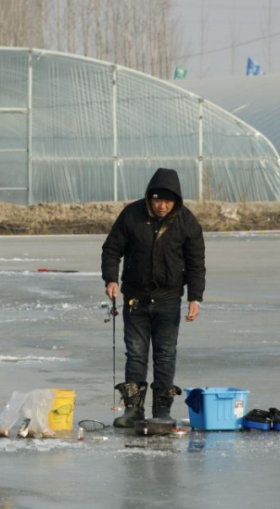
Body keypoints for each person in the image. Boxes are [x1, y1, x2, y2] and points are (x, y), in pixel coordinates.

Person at [101, 168, 206, 427]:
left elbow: (196, 263)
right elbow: (112, 249)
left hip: (169, 298)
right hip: (135, 296)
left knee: (165, 354)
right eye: (158, 200)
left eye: (168, 201)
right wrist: (111, 278)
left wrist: (195, 297)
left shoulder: (186, 221)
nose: (162, 206)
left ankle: (162, 409)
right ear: (150, 197)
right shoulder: (132, 214)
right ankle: (133, 409)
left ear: (176, 201)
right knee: (136, 353)